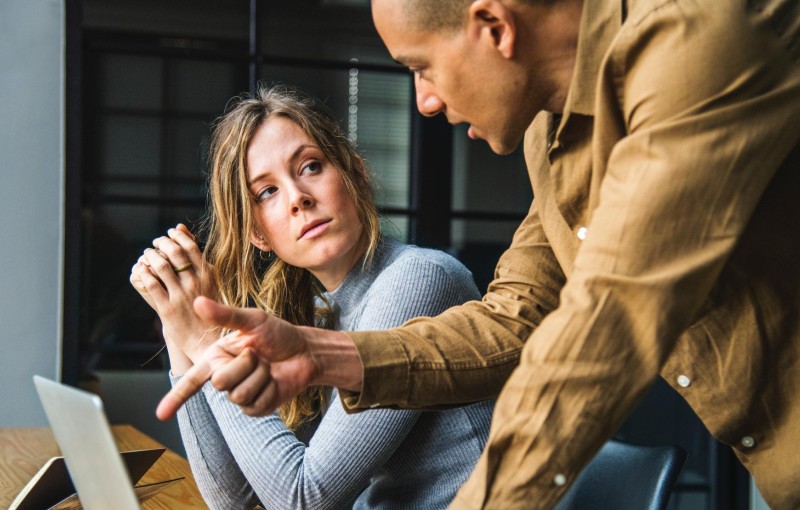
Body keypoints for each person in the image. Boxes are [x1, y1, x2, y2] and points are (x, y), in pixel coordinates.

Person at [159, 0, 800, 508]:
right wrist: (321, 352)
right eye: (266, 193)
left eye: (421, 66)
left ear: (493, 25)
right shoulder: (551, 134)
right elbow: (515, 319)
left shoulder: (698, 48)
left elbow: (607, 325)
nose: (425, 101)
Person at [132, 85, 494, 509]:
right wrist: (178, 318)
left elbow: (303, 500)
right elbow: (234, 500)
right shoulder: (319, 316)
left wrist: (206, 342)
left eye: (310, 166)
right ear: (257, 234)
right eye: (267, 192)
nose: (297, 198)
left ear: (356, 174)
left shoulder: (418, 279)